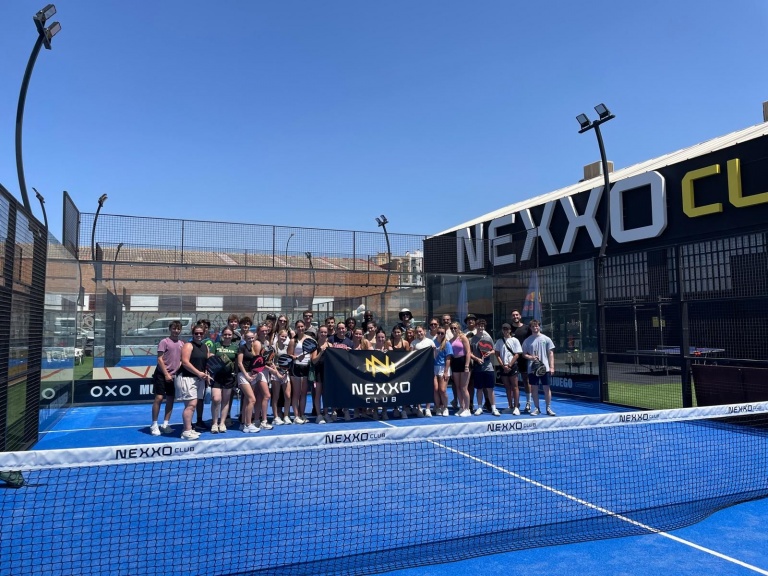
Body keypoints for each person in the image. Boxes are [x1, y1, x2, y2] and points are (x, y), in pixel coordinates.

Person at [176, 326, 213, 439]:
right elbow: (185, 362)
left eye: (201, 333)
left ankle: (188, 428)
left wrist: (206, 374)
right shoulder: (188, 345)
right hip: (187, 378)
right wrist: (198, 373)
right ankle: (186, 431)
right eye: (196, 333)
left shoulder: (205, 347)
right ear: (193, 334)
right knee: (190, 405)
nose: (198, 335)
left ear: (204, 334)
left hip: (199, 379)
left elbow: (206, 363)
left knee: (193, 404)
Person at [149, 320, 184, 436]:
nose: (176, 331)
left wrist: (176, 371)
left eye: (178, 329)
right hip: (161, 374)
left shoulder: (181, 343)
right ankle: (154, 424)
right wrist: (166, 374)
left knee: (170, 399)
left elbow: (181, 360)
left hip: (174, 376)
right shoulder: (164, 342)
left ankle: (165, 424)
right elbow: (160, 359)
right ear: (170, 329)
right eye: (174, 328)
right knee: (159, 398)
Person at [522, 319, 556, 416]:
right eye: (533, 326)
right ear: (530, 328)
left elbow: (551, 353)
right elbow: (524, 354)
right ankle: (536, 408)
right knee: (534, 388)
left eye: (536, 326)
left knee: (546, 388)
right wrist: (531, 357)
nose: (535, 328)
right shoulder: (527, 341)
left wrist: (552, 367)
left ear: (539, 327)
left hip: (545, 368)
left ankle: (548, 408)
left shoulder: (546, 339)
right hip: (532, 369)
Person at [469, 319, 501, 417]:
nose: (481, 327)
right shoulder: (472, 339)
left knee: (490, 389)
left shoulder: (488, 338)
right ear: (476, 326)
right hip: (477, 367)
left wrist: (489, 353)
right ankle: (479, 407)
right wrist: (477, 359)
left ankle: (494, 408)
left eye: (482, 326)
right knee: (479, 389)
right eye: (479, 326)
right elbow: (469, 353)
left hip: (488, 367)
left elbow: (493, 350)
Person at [209, 327, 239, 432]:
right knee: (216, 399)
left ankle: (222, 423)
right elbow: (211, 358)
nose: (227, 336)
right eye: (225, 334)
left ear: (232, 336)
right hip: (216, 376)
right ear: (222, 335)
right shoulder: (216, 345)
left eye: (229, 334)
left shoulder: (235, 347)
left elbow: (237, 363)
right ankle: (214, 423)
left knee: (226, 401)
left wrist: (236, 375)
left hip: (229, 377)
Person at [288, 320, 312, 424]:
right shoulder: (293, 341)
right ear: (296, 328)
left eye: (302, 326)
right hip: (296, 367)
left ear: (304, 327)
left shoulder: (309, 339)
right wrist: (297, 357)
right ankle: (296, 416)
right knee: (296, 393)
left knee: (304, 393)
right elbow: (289, 355)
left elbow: (312, 352)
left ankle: (302, 414)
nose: (300, 328)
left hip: (306, 367)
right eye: (298, 327)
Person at [495, 323, 522, 416]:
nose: (505, 331)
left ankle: (516, 407)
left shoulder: (515, 340)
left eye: (507, 329)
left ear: (510, 330)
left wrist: (510, 365)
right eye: (504, 329)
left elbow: (517, 354)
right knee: (507, 387)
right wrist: (503, 365)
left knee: (515, 386)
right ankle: (510, 406)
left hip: (513, 366)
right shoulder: (499, 341)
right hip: (503, 367)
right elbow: (497, 354)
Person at [236, 331, 261, 433]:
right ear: (245, 338)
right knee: (252, 399)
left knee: (247, 400)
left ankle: (243, 424)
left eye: (252, 338)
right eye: (248, 338)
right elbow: (239, 363)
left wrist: (254, 374)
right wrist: (246, 375)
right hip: (243, 375)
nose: (251, 340)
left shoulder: (253, 348)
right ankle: (248, 424)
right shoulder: (242, 348)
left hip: (252, 375)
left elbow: (256, 362)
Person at [329, 322, 354, 420]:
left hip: (345, 370)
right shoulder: (331, 339)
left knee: (345, 390)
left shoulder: (349, 342)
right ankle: (334, 411)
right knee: (334, 390)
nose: (341, 330)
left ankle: (346, 410)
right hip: (333, 368)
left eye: (343, 328)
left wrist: (349, 351)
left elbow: (353, 357)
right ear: (336, 329)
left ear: (345, 329)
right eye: (339, 328)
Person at [409, 325, 436, 417]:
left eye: (420, 331)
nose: (419, 333)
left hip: (428, 368)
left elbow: (434, 355)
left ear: (424, 331)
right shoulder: (413, 343)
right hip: (417, 370)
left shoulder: (430, 342)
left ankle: (428, 408)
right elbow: (410, 356)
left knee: (428, 388)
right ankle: (419, 408)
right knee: (418, 388)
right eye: (417, 332)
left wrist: (433, 351)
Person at [510, 309, 533, 413]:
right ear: (511, 317)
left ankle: (528, 403)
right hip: (512, 358)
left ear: (520, 316)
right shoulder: (509, 329)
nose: (515, 317)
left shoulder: (527, 328)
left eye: (517, 315)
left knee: (526, 380)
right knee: (513, 383)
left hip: (524, 358)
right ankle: (516, 403)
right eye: (513, 315)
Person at [448, 322, 472, 417]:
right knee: (457, 387)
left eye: (455, 328)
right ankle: (461, 407)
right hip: (455, 363)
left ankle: (467, 409)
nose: (453, 329)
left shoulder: (463, 337)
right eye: (451, 328)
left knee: (464, 387)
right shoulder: (450, 340)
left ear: (458, 328)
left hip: (463, 362)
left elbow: (468, 352)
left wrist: (467, 365)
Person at [310, 326, 331, 423]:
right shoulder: (315, 346)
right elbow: (314, 361)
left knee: (326, 394)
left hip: (327, 372)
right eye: (321, 332)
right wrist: (321, 352)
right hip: (318, 371)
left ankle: (326, 414)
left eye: (325, 332)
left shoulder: (330, 345)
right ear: (318, 333)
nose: (323, 334)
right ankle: (319, 415)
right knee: (318, 394)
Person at [371, 328, 392, 419]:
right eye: (379, 337)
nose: (380, 339)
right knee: (375, 393)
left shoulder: (389, 348)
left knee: (385, 393)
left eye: (382, 337)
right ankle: (375, 411)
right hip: (374, 374)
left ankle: (384, 412)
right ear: (376, 338)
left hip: (386, 374)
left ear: (385, 338)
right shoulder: (371, 348)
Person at [432, 326, 453, 416]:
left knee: (442, 390)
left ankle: (445, 407)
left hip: (443, 368)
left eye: (442, 333)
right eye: (439, 333)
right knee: (436, 389)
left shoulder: (447, 344)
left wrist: (446, 371)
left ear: (445, 334)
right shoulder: (433, 342)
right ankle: (438, 407)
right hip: (434, 368)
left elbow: (448, 358)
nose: (440, 335)